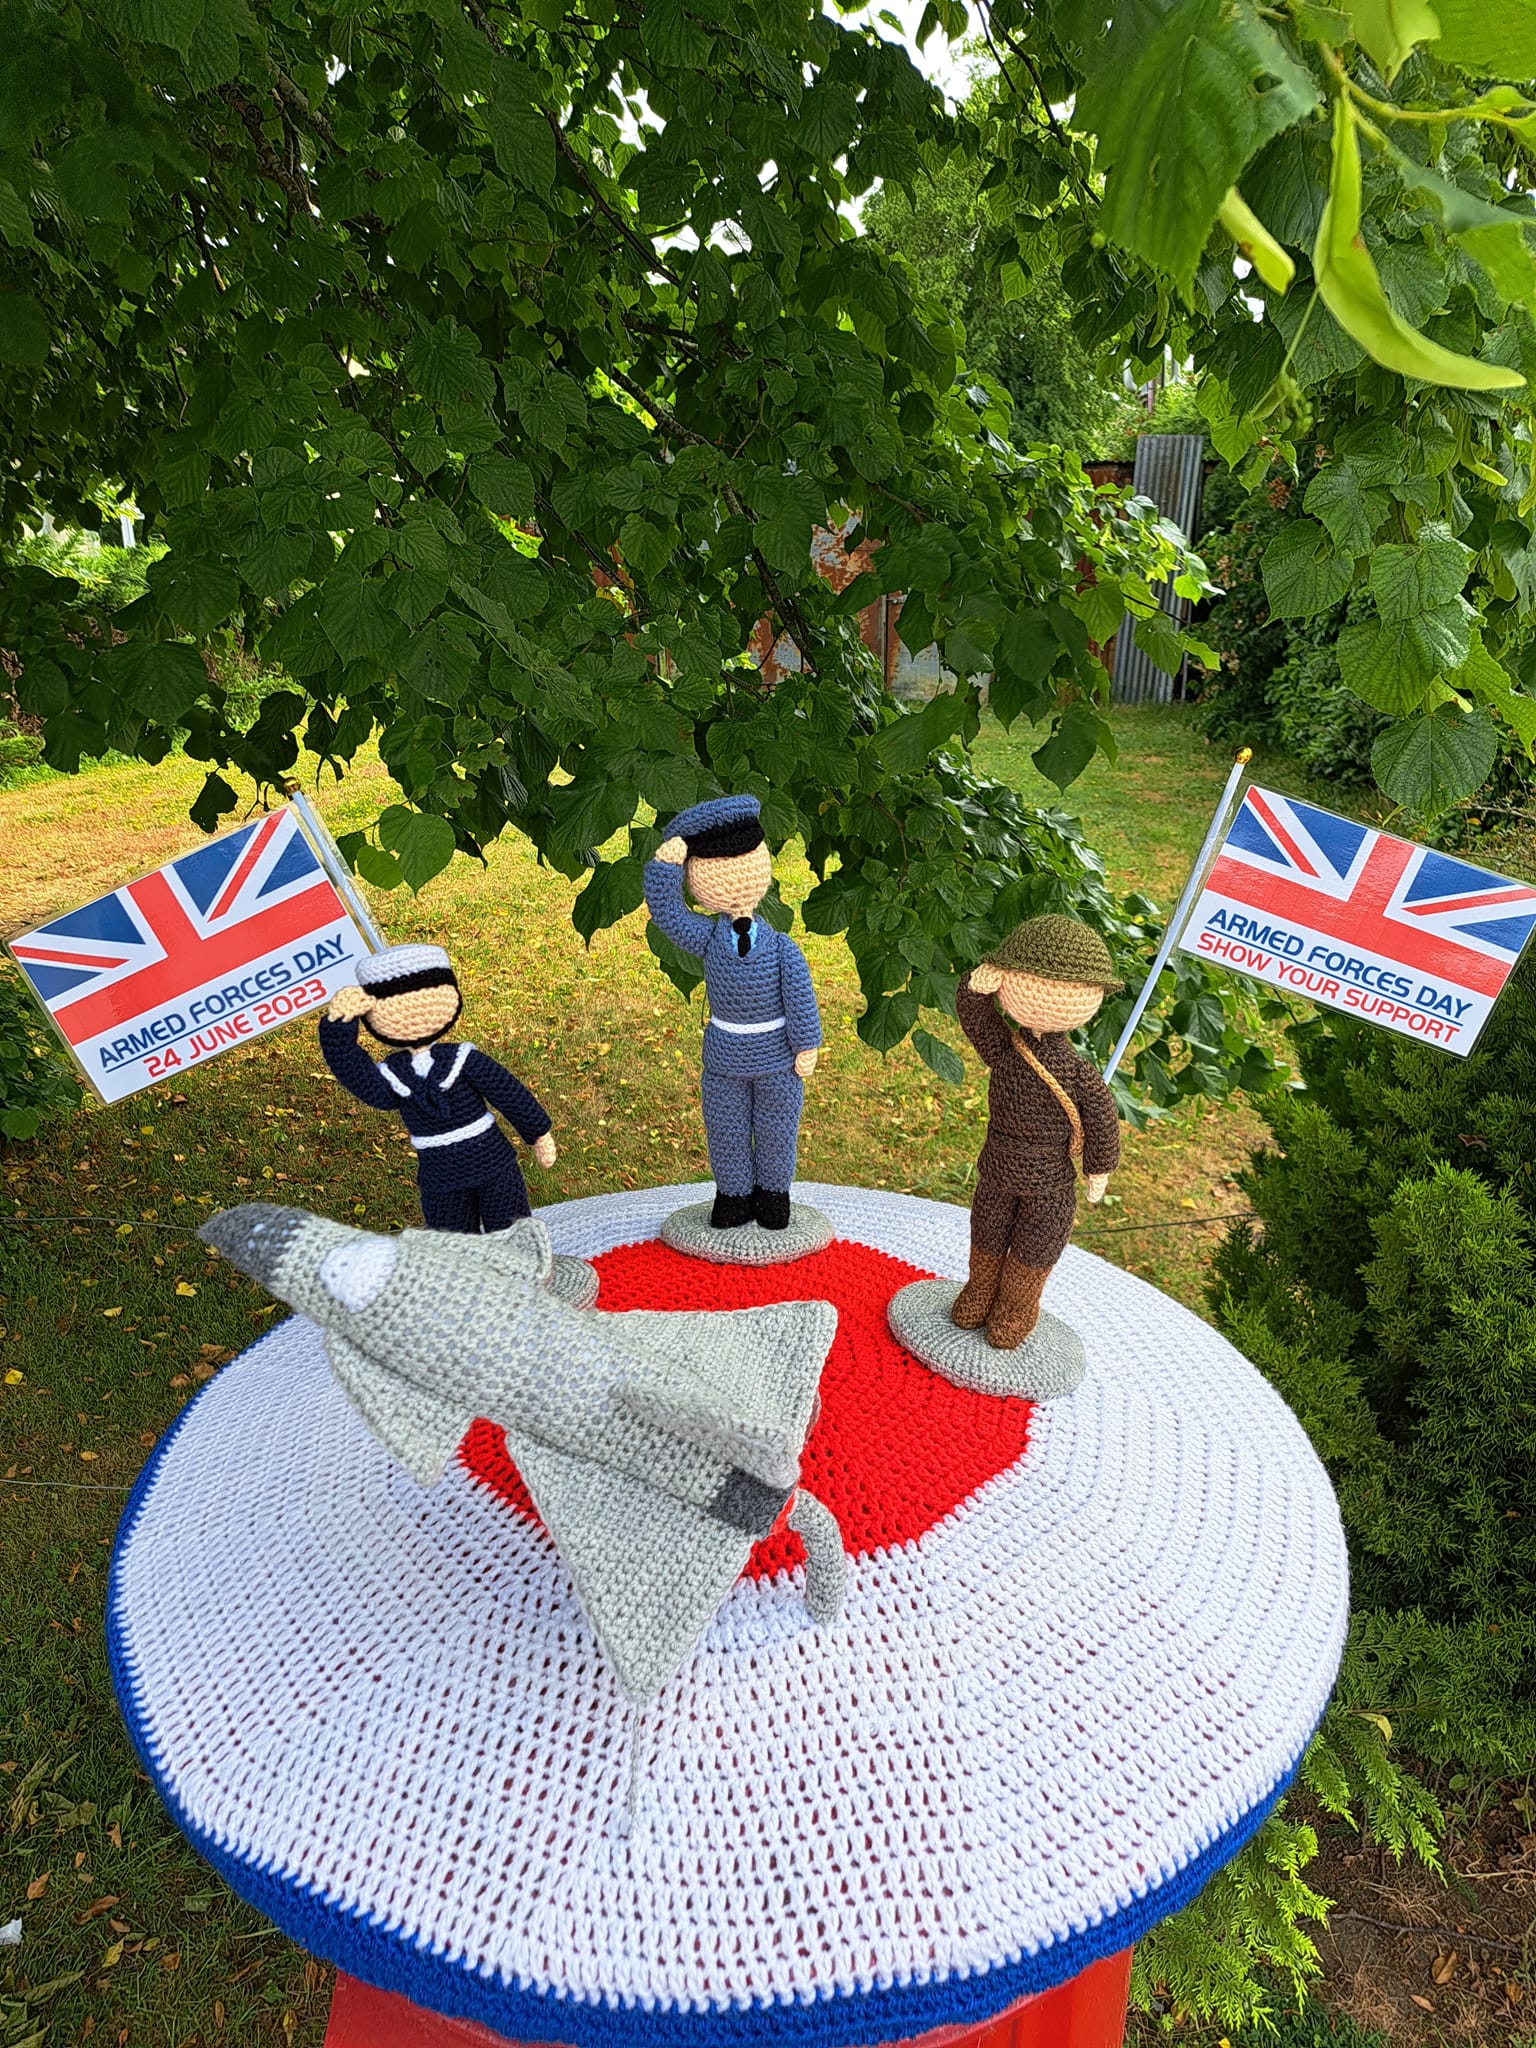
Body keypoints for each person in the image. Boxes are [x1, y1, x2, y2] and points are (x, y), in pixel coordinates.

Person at [644, 795, 821, 1229]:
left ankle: (774, 1196)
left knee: (778, 1129)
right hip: (724, 1057)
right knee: (726, 1129)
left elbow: (800, 997)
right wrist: (665, 867)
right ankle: (733, 1195)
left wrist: (807, 1044)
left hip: (778, 1059)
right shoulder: (707, 938)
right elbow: (667, 914)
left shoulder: (781, 948)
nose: (732, 879)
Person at [952, 915, 1122, 1347]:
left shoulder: (1079, 1075)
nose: (1047, 997)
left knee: (1036, 1245)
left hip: (1050, 1181)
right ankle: (980, 1291)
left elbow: (1101, 1116)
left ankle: (1016, 1308)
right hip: (998, 1169)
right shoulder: (1007, 1051)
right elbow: (975, 1018)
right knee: (986, 1233)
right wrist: (976, 986)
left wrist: (1098, 1168)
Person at [318, 943, 556, 1234]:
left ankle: (520, 1270)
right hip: (440, 1176)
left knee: (510, 1226)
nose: (411, 1011)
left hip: (492, 1163)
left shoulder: (463, 1059)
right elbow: (363, 1081)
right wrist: (338, 1029)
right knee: (451, 1237)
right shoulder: (395, 1076)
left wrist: (538, 1133)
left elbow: (509, 1094)